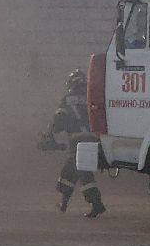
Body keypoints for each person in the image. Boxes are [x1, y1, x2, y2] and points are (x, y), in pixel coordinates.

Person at [39, 68, 105, 218]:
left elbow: (59, 120)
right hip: (94, 139)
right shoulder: (91, 98)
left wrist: (49, 135)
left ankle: (96, 204)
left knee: (82, 172)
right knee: (72, 171)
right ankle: (64, 204)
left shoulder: (68, 99)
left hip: (78, 140)